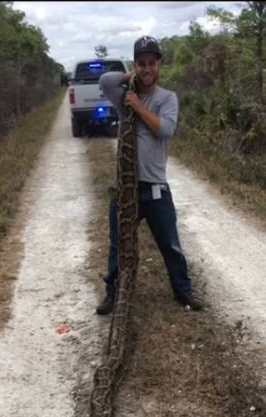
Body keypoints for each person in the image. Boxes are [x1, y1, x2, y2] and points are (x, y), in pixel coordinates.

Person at [94, 35, 204, 315]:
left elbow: (164, 130)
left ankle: (183, 291)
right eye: (141, 64)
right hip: (125, 188)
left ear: (160, 65)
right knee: (118, 245)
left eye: (151, 64)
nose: (147, 69)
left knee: (170, 243)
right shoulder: (124, 95)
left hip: (155, 188)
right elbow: (106, 81)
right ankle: (113, 292)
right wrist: (130, 77)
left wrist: (139, 106)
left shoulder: (167, 98)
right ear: (136, 65)